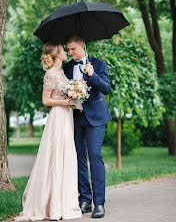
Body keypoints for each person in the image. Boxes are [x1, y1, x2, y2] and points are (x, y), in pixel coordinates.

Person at [13, 42, 82, 221]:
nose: (67, 52)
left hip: (67, 117)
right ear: (58, 54)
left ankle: (62, 203)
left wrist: (75, 93)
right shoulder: (51, 74)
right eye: (63, 49)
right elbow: (46, 100)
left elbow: (63, 94)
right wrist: (66, 102)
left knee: (65, 156)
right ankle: (51, 206)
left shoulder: (61, 73)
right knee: (55, 156)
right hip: (58, 117)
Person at [63, 33, 112, 218]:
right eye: (67, 50)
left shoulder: (99, 64)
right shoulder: (67, 67)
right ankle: (85, 200)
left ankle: (99, 203)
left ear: (82, 46)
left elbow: (106, 88)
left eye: (73, 49)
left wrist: (92, 75)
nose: (70, 53)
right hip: (76, 117)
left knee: (95, 155)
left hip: (96, 118)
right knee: (79, 158)